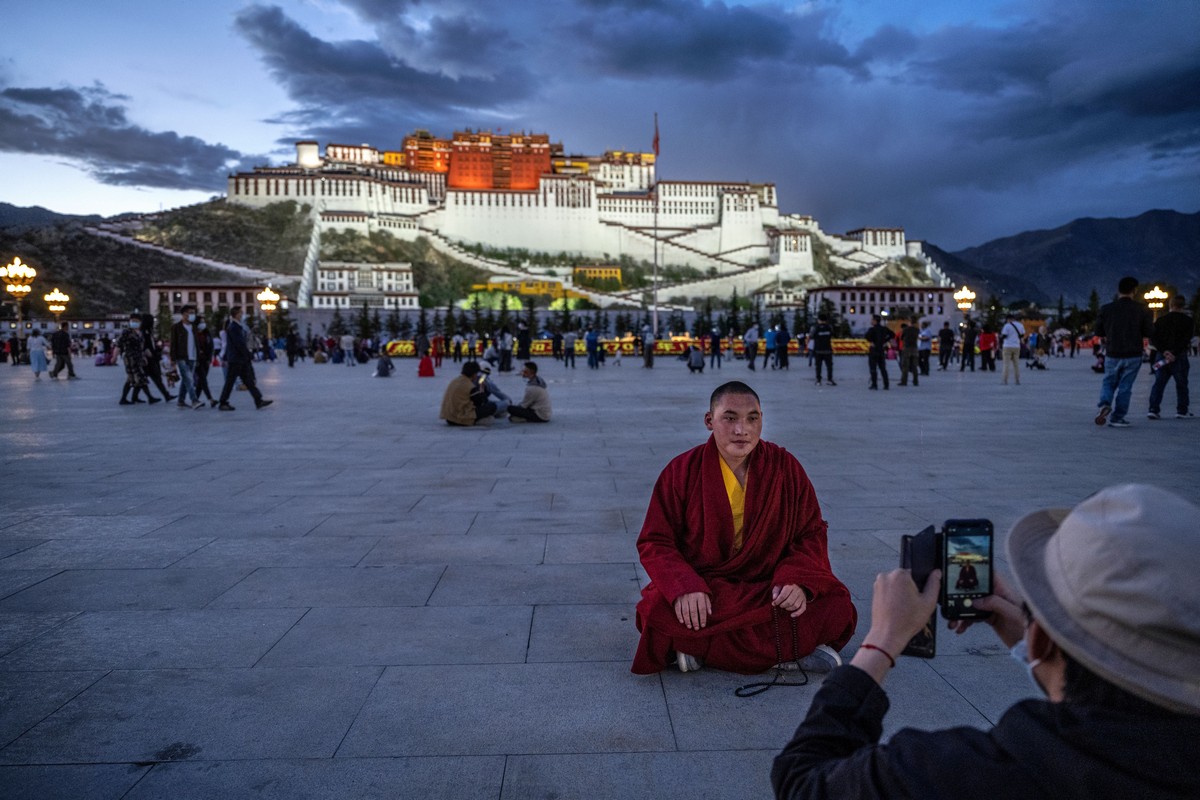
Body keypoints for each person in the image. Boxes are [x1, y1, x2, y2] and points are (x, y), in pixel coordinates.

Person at [772, 483, 1200, 800]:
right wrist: (1030, 639)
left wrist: (881, 641)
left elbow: (802, 781)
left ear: (1045, 641)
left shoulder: (969, 775)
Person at [632, 381, 857, 675]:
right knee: (654, 610)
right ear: (709, 421)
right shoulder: (682, 471)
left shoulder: (785, 467)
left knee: (837, 607)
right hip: (708, 588)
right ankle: (786, 652)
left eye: (753, 418)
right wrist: (684, 587)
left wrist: (796, 580)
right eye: (730, 418)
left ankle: (697, 649)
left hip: (769, 586)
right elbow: (655, 541)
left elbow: (811, 532)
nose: (742, 430)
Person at [1094, 276, 1153, 428]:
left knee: (1108, 381)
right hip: (1133, 353)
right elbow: (1148, 332)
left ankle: (1105, 404)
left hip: (1113, 352)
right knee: (1125, 387)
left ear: (1118, 290)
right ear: (1134, 290)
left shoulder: (1106, 309)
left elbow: (1098, 331)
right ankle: (1118, 417)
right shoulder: (1142, 310)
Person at [217, 306, 272, 411]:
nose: (242, 315)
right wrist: (248, 354)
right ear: (236, 314)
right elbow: (239, 344)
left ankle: (258, 400)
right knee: (230, 381)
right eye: (241, 313)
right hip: (236, 359)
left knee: (248, 380)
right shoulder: (233, 327)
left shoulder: (236, 327)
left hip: (239, 359)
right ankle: (223, 402)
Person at [1147, 294, 1193, 420]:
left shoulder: (1160, 320)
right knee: (1181, 384)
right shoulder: (1188, 321)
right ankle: (1182, 410)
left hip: (1162, 356)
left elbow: (1154, 338)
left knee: (1159, 383)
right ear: (1183, 306)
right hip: (1179, 356)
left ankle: (1153, 409)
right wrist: (1174, 353)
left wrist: (1164, 351)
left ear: (1170, 305)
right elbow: (1186, 339)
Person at [117, 313, 158, 405]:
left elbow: (142, 347)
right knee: (140, 378)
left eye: (136, 321)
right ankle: (150, 397)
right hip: (130, 358)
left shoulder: (139, 333)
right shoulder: (126, 332)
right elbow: (119, 344)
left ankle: (124, 399)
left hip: (138, 358)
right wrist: (114, 356)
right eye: (132, 321)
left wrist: (145, 356)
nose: (134, 323)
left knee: (131, 379)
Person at [169, 305, 205, 409]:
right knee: (189, 379)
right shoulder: (176, 327)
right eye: (190, 312)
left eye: (193, 312)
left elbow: (196, 343)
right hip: (181, 356)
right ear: (184, 314)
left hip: (193, 356)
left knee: (186, 379)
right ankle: (194, 400)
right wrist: (173, 358)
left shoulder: (193, 327)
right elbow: (173, 343)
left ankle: (181, 400)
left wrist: (198, 356)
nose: (192, 315)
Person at [864, 315, 894, 390]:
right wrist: (885, 340)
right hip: (881, 349)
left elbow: (867, 337)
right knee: (883, 368)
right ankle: (886, 384)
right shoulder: (884, 329)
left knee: (873, 368)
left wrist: (872, 342)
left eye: (872, 320)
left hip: (874, 350)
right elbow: (892, 334)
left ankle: (874, 384)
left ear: (875, 321)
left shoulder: (872, 329)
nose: (871, 321)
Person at [811, 315, 835, 386]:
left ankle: (818, 380)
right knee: (829, 366)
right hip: (827, 349)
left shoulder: (815, 328)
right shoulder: (829, 327)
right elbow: (832, 334)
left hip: (818, 350)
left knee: (818, 366)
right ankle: (829, 379)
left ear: (819, 320)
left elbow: (812, 336)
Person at [1000, 313, 1025, 386]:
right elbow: (1022, 335)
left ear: (1008, 319)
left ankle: (1005, 380)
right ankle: (1017, 380)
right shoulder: (1020, 325)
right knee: (1016, 364)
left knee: (1006, 364)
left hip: (1007, 346)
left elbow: (1004, 335)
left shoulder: (1007, 326)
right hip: (1016, 346)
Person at [898, 319, 919, 387]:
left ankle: (904, 381)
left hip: (907, 348)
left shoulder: (906, 329)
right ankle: (915, 381)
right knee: (914, 366)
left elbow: (901, 338)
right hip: (915, 348)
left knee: (905, 366)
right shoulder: (917, 330)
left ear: (910, 322)